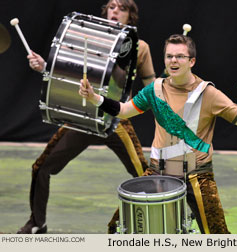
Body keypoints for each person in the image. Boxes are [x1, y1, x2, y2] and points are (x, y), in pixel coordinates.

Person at [80, 34, 237, 233]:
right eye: (169, 56)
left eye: (180, 56)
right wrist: (95, 98)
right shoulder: (155, 90)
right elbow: (124, 110)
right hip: (158, 171)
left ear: (192, 61)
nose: (173, 60)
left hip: (197, 175)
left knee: (218, 235)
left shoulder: (208, 94)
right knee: (117, 228)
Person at [17, 0, 155, 234]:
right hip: (82, 117)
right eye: (112, 7)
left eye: (122, 8)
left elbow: (151, 84)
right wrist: (44, 67)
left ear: (130, 16)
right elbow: (65, 70)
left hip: (115, 120)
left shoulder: (140, 47)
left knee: (144, 175)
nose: (115, 12)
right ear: (106, 11)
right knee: (41, 168)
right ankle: (37, 223)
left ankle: (155, 223)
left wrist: (157, 92)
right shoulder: (90, 37)